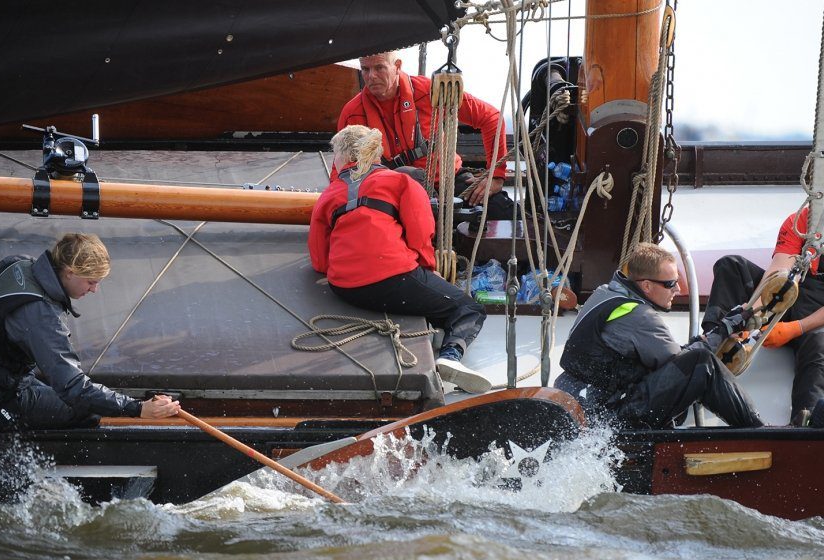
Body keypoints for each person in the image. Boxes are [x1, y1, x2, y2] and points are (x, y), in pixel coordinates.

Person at [308, 124, 491, 394]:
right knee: (467, 308)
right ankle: (450, 356)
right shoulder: (400, 182)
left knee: (420, 296)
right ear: (376, 153)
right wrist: (430, 270)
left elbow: (319, 259)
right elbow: (420, 231)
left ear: (343, 158)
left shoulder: (328, 195)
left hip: (344, 288)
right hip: (394, 278)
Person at [0, 233, 180, 430]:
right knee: (85, 412)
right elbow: (73, 386)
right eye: (91, 281)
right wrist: (137, 408)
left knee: (64, 397)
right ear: (69, 272)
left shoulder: (22, 265)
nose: (95, 290)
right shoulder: (42, 316)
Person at [702, 206, 824, 427]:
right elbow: (777, 273)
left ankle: (807, 419)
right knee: (731, 267)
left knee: (822, 346)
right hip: (795, 298)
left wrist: (794, 329)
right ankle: (709, 352)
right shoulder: (801, 221)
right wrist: (755, 311)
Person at [554, 242, 764, 429]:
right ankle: (759, 432)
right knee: (703, 363)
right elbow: (682, 364)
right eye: (671, 284)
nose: (678, 289)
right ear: (646, 285)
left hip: (585, 407)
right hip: (613, 420)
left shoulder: (604, 294)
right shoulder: (639, 316)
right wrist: (726, 328)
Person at [337, 51, 517, 219]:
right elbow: (341, 169)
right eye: (365, 69)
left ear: (397, 66)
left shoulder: (430, 92)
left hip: (449, 183)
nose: (371, 76)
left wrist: (495, 175)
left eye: (379, 68)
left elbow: (492, 118)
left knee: (501, 211)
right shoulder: (352, 113)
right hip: (394, 192)